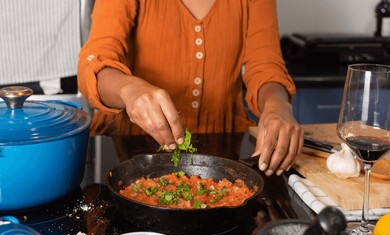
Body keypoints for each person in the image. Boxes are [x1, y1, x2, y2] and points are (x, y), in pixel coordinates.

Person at [77, 0, 304, 177]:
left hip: (225, 152)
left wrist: (277, 107)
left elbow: (265, 67)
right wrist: (129, 90)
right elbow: (95, 63)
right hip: (130, 146)